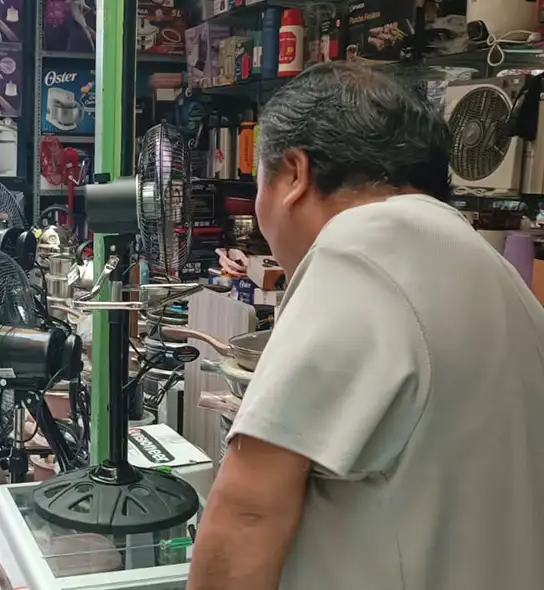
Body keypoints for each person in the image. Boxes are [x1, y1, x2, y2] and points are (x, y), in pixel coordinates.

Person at [188, 62, 544, 590]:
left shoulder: (358, 253)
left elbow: (247, 515)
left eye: (259, 182)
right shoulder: (498, 274)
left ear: (294, 174)